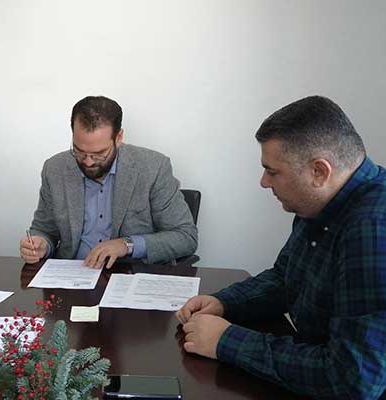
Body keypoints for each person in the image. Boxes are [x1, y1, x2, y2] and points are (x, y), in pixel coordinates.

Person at [176, 96, 386, 398]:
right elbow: (285, 279)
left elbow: (352, 380)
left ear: (319, 172)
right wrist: (224, 302)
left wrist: (227, 341)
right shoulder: (318, 202)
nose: (263, 182)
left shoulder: (373, 229)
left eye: (272, 171)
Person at [20, 95, 197, 268]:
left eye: (99, 154)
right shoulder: (55, 169)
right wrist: (42, 244)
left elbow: (185, 237)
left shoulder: (153, 168)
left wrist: (127, 245)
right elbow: (44, 230)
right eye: (79, 151)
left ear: (118, 138)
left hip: (129, 274)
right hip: (72, 274)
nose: (88, 162)